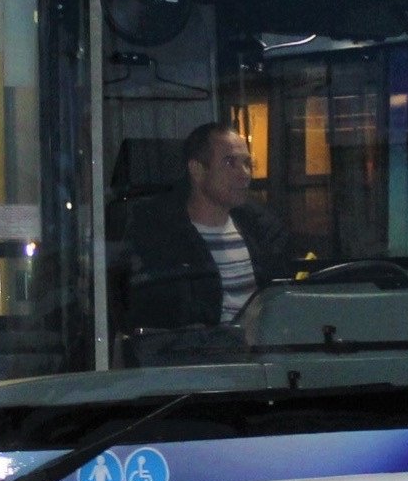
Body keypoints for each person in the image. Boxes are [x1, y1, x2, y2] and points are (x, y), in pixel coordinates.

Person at [123, 122, 296, 333]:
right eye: (230, 162)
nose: (244, 174)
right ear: (197, 170)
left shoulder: (263, 233)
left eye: (247, 163)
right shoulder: (160, 240)